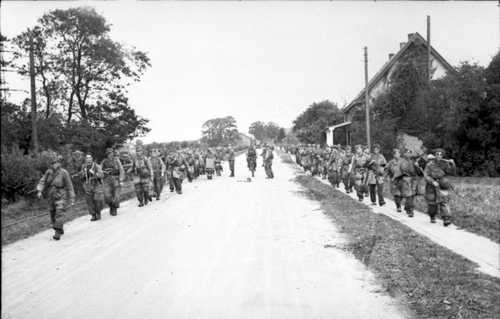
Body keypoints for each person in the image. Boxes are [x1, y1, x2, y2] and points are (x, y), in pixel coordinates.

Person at [36, 154, 76, 240]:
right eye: (53, 163)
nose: (54, 164)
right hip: (51, 195)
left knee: (59, 212)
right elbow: (42, 181)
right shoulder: (48, 172)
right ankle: (59, 227)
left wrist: (72, 197)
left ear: (59, 163)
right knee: (52, 213)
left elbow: (69, 186)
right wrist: (39, 190)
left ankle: (57, 232)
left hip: (61, 195)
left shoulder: (64, 172)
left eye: (56, 163)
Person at [423, 149, 457, 226]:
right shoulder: (429, 164)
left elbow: (452, 172)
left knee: (444, 201)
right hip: (431, 186)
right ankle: (432, 216)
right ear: (435, 155)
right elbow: (426, 175)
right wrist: (432, 181)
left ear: (442, 155)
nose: (439, 156)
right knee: (432, 204)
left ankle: (446, 218)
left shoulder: (445, 163)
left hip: (442, 184)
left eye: (440, 154)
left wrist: (453, 164)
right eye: (437, 154)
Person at [101, 148, 125, 216]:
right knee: (107, 196)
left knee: (116, 196)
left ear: (112, 153)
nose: (110, 154)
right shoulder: (104, 161)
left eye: (111, 153)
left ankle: (114, 208)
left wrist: (121, 179)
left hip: (116, 178)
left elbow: (121, 170)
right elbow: (100, 169)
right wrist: (103, 172)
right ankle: (111, 206)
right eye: (108, 153)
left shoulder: (116, 160)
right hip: (107, 179)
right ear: (106, 154)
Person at [81, 154, 105, 221]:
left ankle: (98, 213)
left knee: (97, 200)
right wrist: (82, 174)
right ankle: (93, 215)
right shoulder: (83, 167)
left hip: (96, 184)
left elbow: (101, 175)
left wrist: (94, 173)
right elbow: (82, 175)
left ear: (92, 159)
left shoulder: (96, 166)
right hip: (88, 185)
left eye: (89, 158)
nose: (88, 159)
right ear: (85, 159)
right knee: (89, 201)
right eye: (87, 158)